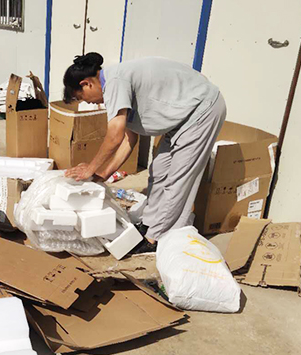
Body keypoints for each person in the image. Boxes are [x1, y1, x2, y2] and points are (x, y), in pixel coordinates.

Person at [63, 53, 226, 253]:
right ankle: (149, 225)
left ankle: (154, 238)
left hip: (202, 111)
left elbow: (115, 135)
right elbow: (128, 139)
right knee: (158, 171)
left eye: (82, 97)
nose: (87, 103)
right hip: (182, 119)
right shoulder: (116, 84)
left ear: (86, 84)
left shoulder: (115, 81)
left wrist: (91, 168)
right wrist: (103, 174)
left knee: (177, 180)